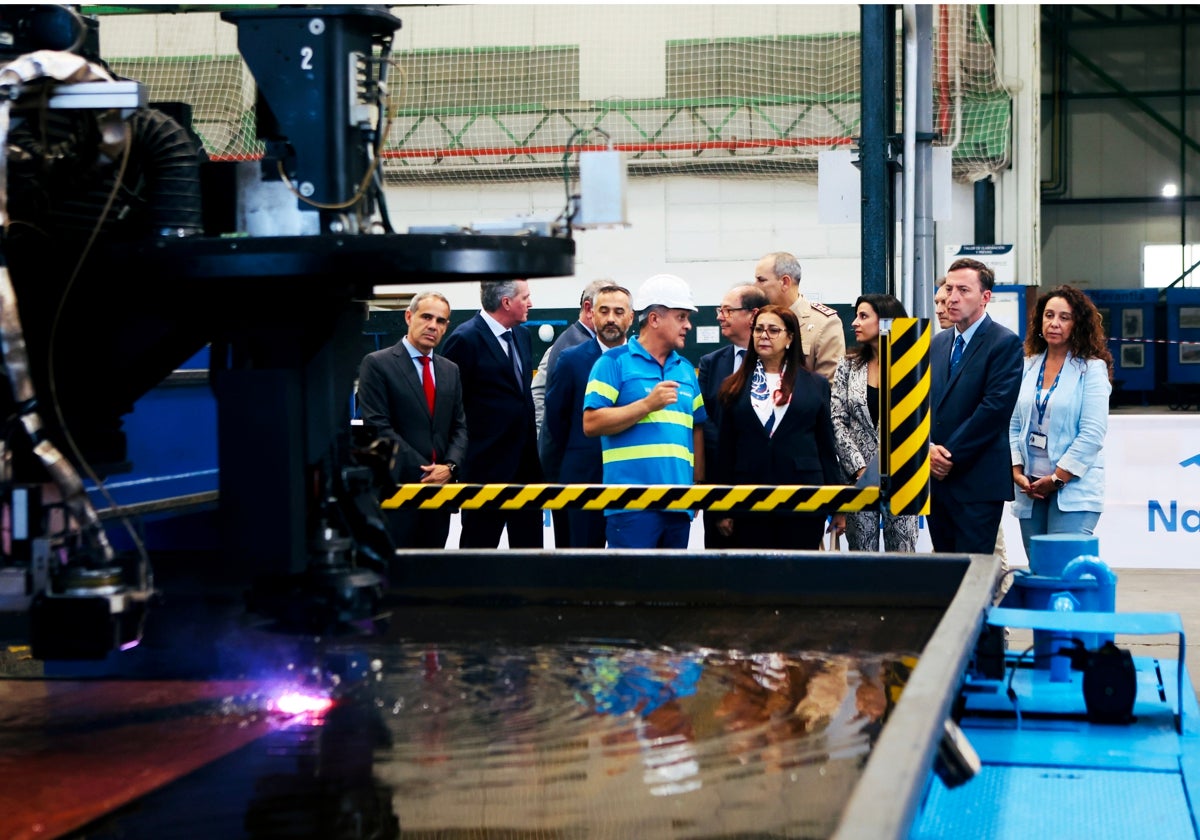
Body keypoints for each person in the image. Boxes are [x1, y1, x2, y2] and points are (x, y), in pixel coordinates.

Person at [582, 273, 706, 549]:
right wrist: (647, 405)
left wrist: (698, 483)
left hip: (679, 504)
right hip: (630, 506)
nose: (688, 325)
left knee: (671, 591)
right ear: (654, 319)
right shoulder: (612, 362)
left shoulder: (686, 369)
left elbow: (697, 426)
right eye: (682, 316)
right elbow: (591, 422)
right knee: (630, 590)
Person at [713, 305, 845, 550]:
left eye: (774, 330)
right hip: (748, 500)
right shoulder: (733, 385)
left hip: (804, 498)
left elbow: (826, 447)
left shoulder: (815, 385)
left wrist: (837, 505)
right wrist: (722, 507)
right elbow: (725, 450)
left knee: (797, 578)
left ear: (790, 338)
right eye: (759, 330)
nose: (764, 336)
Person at [356, 291, 467, 551]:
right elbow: (378, 427)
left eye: (441, 321)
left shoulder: (450, 370)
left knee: (430, 579)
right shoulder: (377, 364)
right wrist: (428, 470)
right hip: (397, 495)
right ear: (409, 316)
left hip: (440, 496)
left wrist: (450, 467)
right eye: (426, 317)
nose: (433, 326)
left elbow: (460, 426)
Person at [1009, 285, 1113, 559]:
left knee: (1062, 572)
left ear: (1077, 324)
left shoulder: (1091, 369)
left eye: (1064, 317)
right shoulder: (1028, 365)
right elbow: (1013, 425)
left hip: (1073, 488)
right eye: (1049, 315)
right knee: (1038, 572)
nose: (1054, 323)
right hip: (1029, 487)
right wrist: (1016, 469)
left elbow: (1092, 434)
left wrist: (1056, 479)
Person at [928, 257, 1023, 554]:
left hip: (976, 482)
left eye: (963, 290)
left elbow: (993, 409)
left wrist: (949, 456)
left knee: (974, 573)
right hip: (937, 481)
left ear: (985, 297)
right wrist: (928, 448)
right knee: (945, 571)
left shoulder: (1004, 343)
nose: (952, 297)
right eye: (949, 288)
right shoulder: (938, 343)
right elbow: (926, 406)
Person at [440, 279, 544, 548]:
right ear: (506, 302)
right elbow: (451, 407)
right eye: (526, 297)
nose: (531, 303)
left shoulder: (521, 335)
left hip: (526, 470)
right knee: (478, 552)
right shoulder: (465, 339)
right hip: (485, 470)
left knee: (530, 553)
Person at [543, 284, 634, 547]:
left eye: (619, 312)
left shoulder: (641, 360)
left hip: (630, 478)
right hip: (582, 479)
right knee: (580, 564)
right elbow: (556, 422)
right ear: (591, 315)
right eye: (603, 311)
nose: (610, 319)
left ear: (630, 317)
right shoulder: (570, 360)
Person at [831, 294, 918, 552]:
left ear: (886, 322)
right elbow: (837, 420)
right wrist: (859, 468)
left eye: (863, 316)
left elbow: (919, 420)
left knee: (903, 556)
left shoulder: (911, 365)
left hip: (902, 475)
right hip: (858, 478)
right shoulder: (847, 365)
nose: (855, 323)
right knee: (861, 555)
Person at [533, 277, 609, 547]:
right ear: (590, 309)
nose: (612, 319)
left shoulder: (579, 344)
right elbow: (557, 416)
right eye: (605, 309)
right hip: (575, 471)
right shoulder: (573, 349)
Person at [697, 284, 769, 549]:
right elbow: (704, 419)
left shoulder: (779, 364)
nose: (719, 316)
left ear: (753, 315)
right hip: (720, 481)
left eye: (727, 310)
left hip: (770, 486)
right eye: (720, 310)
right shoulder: (710, 363)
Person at [752, 251, 845, 382]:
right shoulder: (757, 319)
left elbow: (830, 387)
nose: (755, 286)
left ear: (784, 282)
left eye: (761, 280)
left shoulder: (824, 323)